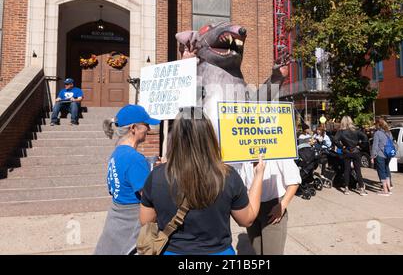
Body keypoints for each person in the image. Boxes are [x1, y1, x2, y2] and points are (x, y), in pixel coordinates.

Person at [139, 107, 265, 255]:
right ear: (209, 136)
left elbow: (145, 221)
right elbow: (247, 219)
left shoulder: (156, 176)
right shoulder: (228, 175)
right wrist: (258, 175)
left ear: (175, 137)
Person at [94, 105, 161, 255]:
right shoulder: (134, 158)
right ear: (133, 128)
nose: (149, 129)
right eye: (146, 125)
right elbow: (150, 198)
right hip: (131, 224)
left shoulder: (116, 153)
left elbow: (114, 189)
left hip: (116, 222)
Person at [236, 159, 300, 255]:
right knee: (257, 251)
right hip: (250, 207)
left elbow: (294, 181)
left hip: (273, 208)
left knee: (272, 252)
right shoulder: (245, 155)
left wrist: (282, 205)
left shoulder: (276, 150)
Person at [333, 116, 369, 196]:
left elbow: (335, 140)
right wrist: (361, 145)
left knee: (347, 170)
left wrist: (341, 147)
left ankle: (346, 188)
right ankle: (361, 189)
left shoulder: (341, 131)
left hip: (347, 151)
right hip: (356, 151)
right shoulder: (356, 130)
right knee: (358, 170)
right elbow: (365, 137)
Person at [371, 118, 393, 196]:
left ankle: (385, 190)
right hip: (388, 155)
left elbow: (375, 146)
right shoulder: (389, 133)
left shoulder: (377, 133)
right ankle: (389, 188)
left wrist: (372, 156)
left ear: (378, 125)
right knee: (386, 170)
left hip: (380, 155)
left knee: (381, 172)